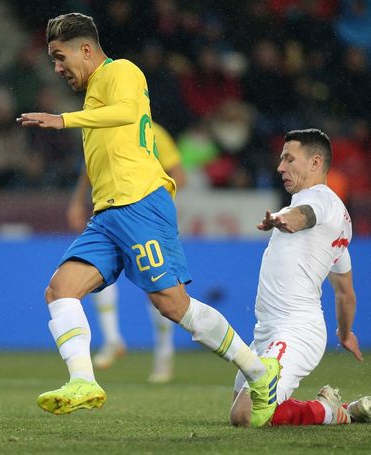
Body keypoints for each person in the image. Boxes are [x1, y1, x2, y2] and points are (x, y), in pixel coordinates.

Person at [17, 13, 279, 424]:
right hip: (106, 214)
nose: (56, 68)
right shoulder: (92, 95)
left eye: (59, 56)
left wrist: (64, 120)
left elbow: (124, 112)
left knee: (173, 305)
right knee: (60, 289)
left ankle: (260, 373)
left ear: (86, 50)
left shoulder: (121, 71)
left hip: (140, 203)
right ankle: (84, 381)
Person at [228, 129, 371, 427]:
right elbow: (344, 293)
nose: (280, 167)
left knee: (245, 416)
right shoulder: (337, 224)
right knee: (242, 403)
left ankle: (332, 411)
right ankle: (328, 406)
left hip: (295, 331)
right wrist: (345, 333)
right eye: (280, 159)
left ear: (315, 163)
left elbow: (305, 214)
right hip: (268, 332)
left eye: (289, 159)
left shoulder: (321, 200)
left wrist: (285, 220)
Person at [66, 122, 186, 383]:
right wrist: (77, 201)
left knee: (159, 290)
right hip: (115, 214)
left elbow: (179, 174)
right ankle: (112, 339)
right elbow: (91, 167)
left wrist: (155, 206)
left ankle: (163, 357)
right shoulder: (104, 127)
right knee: (98, 269)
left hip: (147, 219)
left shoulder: (151, 130)